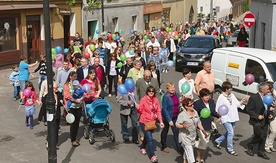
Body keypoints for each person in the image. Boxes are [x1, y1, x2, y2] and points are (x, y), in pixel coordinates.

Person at [214, 82, 246, 156]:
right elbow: (218, 108)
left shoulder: (232, 95)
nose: (231, 89)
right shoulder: (221, 97)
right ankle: (230, 149)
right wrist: (219, 117)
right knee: (231, 132)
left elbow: (237, 104)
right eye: (230, 88)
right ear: (226, 89)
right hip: (225, 117)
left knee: (229, 132)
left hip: (232, 116)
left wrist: (242, 101)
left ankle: (217, 141)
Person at [246, 82, 274, 160]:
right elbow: (248, 109)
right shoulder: (254, 97)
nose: (269, 90)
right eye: (267, 89)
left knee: (264, 136)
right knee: (259, 135)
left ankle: (261, 151)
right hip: (256, 121)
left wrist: (269, 114)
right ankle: (250, 146)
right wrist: (257, 116)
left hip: (265, 120)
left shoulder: (267, 97)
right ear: (262, 89)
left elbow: (267, 107)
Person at [137, 85, 164, 163]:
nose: (151, 93)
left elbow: (158, 111)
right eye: (149, 91)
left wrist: (161, 121)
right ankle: (152, 156)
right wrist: (138, 108)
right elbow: (140, 111)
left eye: (152, 91)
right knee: (150, 138)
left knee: (147, 137)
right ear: (147, 92)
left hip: (152, 122)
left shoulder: (155, 100)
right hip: (144, 122)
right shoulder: (143, 99)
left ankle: (142, 147)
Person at [176, 98, 207, 163]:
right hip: (185, 137)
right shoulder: (182, 115)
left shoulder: (195, 112)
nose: (192, 106)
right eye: (190, 105)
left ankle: (185, 161)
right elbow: (177, 125)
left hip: (192, 136)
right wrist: (183, 126)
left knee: (188, 151)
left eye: (193, 104)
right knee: (190, 155)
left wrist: (204, 132)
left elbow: (199, 123)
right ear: (186, 106)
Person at [194, 88, 220, 162]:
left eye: (208, 95)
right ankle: (198, 158)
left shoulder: (211, 102)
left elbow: (213, 112)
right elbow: (195, 114)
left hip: (209, 125)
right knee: (203, 142)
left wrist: (218, 115)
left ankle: (202, 158)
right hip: (201, 125)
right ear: (202, 97)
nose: (207, 97)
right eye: (205, 96)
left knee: (206, 143)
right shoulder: (198, 103)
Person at [161, 82, 182, 153]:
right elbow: (164, 109)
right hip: (167, 117)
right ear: (167, 89)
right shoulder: (165, 97)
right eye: (171, 88)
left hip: (175, 116)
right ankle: (164, 146)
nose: (173, 89)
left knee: (176, 132)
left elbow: (178, 103)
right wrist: (169, 120)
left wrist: (181, 103)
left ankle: (179, 148)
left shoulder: (176, 94)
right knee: (165, 131)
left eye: (173, 87)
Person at [63, 71, 83, 147]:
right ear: (70, 77)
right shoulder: (67, 85)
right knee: (73, 123)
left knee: (77, 122)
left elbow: (82, 92)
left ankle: (74, 136)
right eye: (74, 76)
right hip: (71, 106)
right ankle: (73, 139)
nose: (75, 78)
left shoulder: (78, 84)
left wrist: (81, 98)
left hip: (78, 106)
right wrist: (75, 100)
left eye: (76, 77)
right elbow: (67, 95)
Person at [45, 82, 63, 150]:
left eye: (57, 88)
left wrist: (62, 101)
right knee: (51, 129)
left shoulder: (59, 94)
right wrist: (40, 118)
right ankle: (48, 142)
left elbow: (61, 101)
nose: (57, 89)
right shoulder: (48, 96)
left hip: (57, 114)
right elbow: (44, 107)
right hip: (50, 115)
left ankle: (55, 144)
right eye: (55, 88)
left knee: (56, 129)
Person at [265, 81, 276, 153]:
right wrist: (269, 109)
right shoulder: (265, 96)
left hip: (274, 115)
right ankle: (266, 146)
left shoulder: (274, 96)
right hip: (267, 115)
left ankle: (271, 145)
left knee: (274, 131)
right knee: (269, 131)